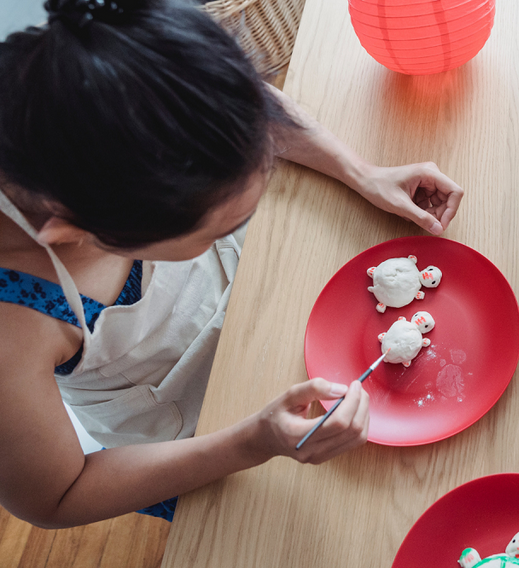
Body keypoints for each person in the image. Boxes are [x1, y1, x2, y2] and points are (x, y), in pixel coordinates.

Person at [0, 0, 463, 527]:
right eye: (214, 228)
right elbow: (58, 496)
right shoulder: (12, 328)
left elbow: (242, 101)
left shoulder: (100, 63)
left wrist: (360, 171)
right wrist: (252, 441)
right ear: (77, 235)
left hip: (254, 319)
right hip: (188, 433)